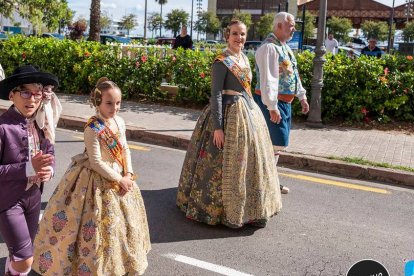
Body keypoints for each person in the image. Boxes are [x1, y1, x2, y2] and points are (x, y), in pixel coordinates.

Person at [33, 78, 151, 275]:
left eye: (118, 103)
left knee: (120, 227)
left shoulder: (119, 122)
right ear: (98, 102)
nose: (115, 107)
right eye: (109, 103)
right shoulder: (92, 128)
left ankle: (121, 264)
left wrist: (128, 173)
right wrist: (119, 179)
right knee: (94, 227)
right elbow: (96, 162)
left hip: (120, 174)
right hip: (95, 178)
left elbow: (125, 149)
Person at [176, 20, 282, 229]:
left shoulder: (243, 58)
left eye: (242, 34)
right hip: (227, 113)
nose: (239, 38)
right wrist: (218, 127)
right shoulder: (221, 61)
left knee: (247, 162)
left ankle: (251, 209)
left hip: (247, 115)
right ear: (227, 36)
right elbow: (215, 94)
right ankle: (218, 210)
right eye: (235, 34)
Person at [0, 65, 59, 276]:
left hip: (33, 197)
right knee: (25, 261)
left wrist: (49, 170)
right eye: (25, 92)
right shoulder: (3, 127)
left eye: (36, 94)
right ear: (11, 95)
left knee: (20, 254)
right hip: (8, 201)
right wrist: (28, 168)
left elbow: (49, 150)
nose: (32, 100)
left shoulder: (40, 123)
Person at [254, 12, 310, 194]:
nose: (294, 28)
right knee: (273, 144)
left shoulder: (284, 47)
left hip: (282, 104)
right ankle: (264, 183)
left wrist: (302, 96)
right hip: (271, 104)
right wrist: (272, 106)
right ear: (279, 26)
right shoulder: (269, 48)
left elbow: (293, 74)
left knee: (276, 145)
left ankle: (268, 181)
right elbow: (268, 80)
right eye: (290, 25)